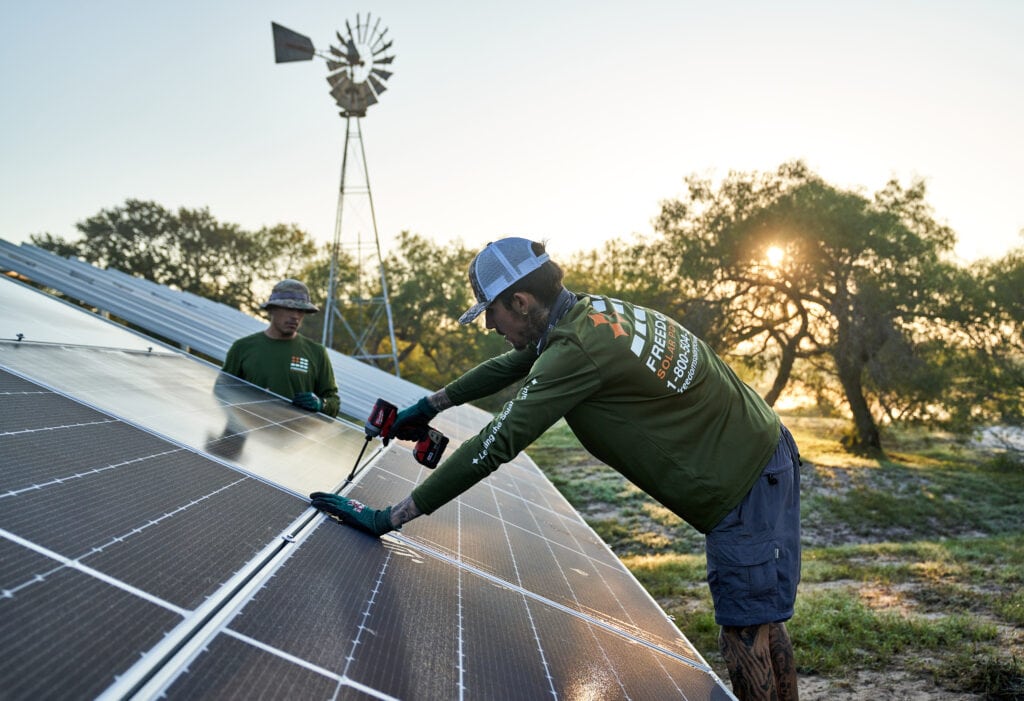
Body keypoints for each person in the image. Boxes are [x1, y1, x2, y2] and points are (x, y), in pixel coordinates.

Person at [310, 238, 801, 700]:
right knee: (760, 618)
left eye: (492, 312)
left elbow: (496, 443)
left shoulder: (577, 350)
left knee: (743, 627)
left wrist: (390, 517)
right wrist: (432, 404)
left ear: (521, 302)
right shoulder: (592, 312)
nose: (489, 326)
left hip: (744, 483)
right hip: (764, 451)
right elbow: (515, 363)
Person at [221, 278, 340, 418]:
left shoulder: (316, 352)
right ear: (272, 309)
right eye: (289, 308)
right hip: (248, 434)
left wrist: (321, 403)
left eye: (300, 310)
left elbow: (334, 402)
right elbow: (221, 392)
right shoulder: (242, 348)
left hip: (296, 437)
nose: (295, 316)